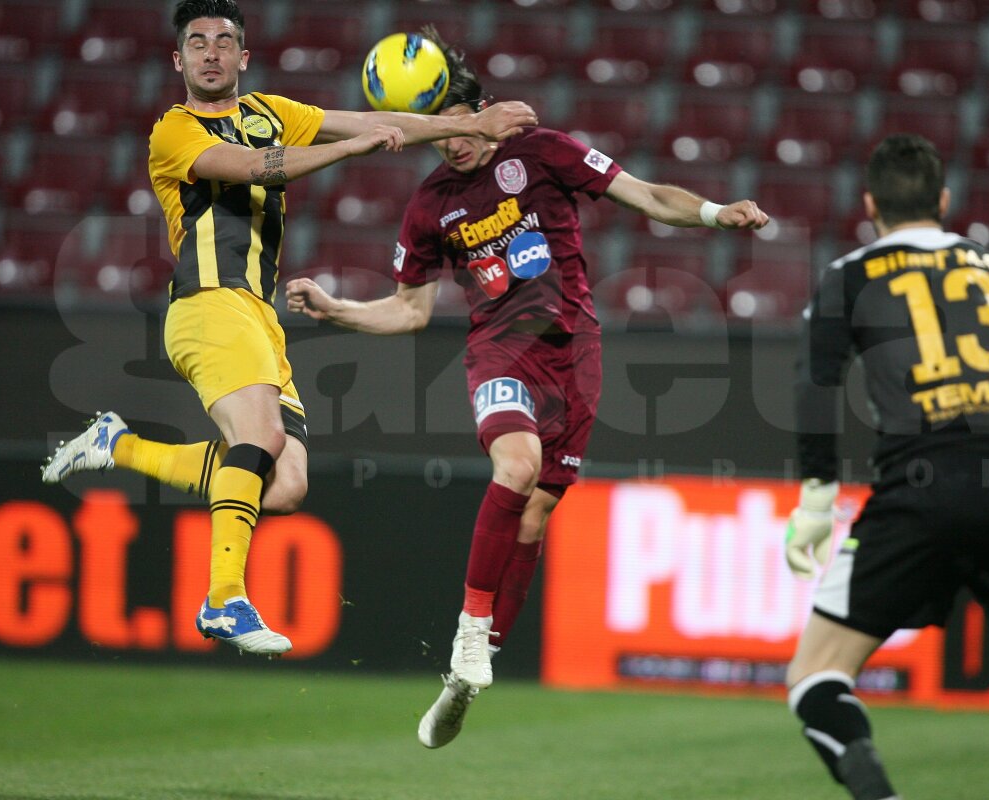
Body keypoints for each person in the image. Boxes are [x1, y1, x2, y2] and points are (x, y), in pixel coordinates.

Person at [285, 31, 769, 747]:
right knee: (516, 466)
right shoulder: (429, 206)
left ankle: (463, 684)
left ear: (481, 109)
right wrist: (339, 310)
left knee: (536, 519)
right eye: (438, 133)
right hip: (499, 350)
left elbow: (645, 196)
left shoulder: (542, 151)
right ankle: (469, 635)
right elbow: (410, 310)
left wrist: (712, 214)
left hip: (575, 356)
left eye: (460, 125)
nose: (452, 145)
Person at [40, 0, 537, 657]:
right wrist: (349, 148)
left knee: (285, 485)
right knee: (263, 436)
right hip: (207, 303)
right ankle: (224, 598)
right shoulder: (176, 131)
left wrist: (473, 121)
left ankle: (120, 445)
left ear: (244, 57)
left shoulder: (268, 112)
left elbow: (372, 120)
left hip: (258, 315)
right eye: (197, 43)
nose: (211, 52)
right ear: (178, 60)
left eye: (224, 42)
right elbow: (252, 168)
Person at [782, 134, 989, 800]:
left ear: (870, 204)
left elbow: (815, 387)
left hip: (919, 489)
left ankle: (878, 792)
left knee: (816, 675)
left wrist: (816, 501)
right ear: (945, 201)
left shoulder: (852, 275)